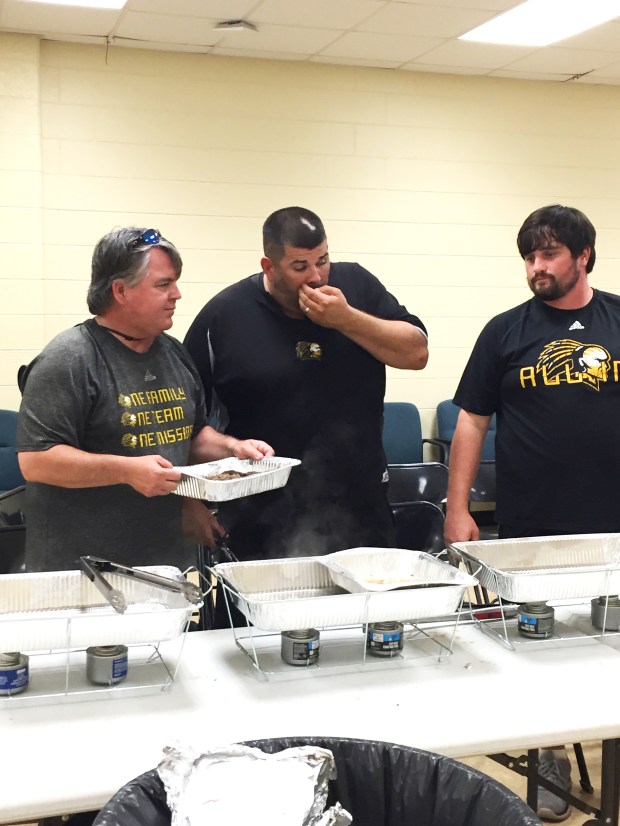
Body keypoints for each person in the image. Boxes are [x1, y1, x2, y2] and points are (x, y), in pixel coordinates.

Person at [444, 204, 619, 822]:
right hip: (534, 525)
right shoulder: (505, 331)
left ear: (584, 257)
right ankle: (550, 758)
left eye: (548, 255)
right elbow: (471, 419)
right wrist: (458, 506)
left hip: (613, 526)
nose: (536, 267)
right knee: (539, 645)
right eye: (529, 256)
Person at [17, 226, 274, 574]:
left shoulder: (173, 353)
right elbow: (37, 461)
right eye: (163, 285)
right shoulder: (70, 359)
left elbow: (192, 436)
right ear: (120, 290)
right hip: (85, 572)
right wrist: (127, 471)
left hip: (166, 567)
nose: (177, 295)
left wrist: (233, 449)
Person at [184, 206, 428, 568]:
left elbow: (417, 352)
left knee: (368, 618)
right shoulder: (224, 316)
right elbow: (183, 426)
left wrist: (347, 319)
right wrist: (189, 503)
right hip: (260, 509)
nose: (316, 276)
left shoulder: (357, 286)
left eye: (323, 260)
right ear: (269, 267)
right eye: (300, 266)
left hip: (360, 500)